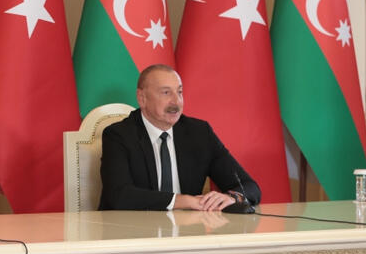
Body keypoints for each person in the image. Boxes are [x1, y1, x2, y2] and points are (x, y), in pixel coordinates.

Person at [99, 64, 261, 211]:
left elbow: (249, 186)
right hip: (131, 229)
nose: (176, 102)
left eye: (180, 92)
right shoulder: (119, 135)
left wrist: (232, 198)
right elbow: (119, 195)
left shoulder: (199, 133)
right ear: (142, 98)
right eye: (166, 93)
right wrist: (183, 201)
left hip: (187, 229)